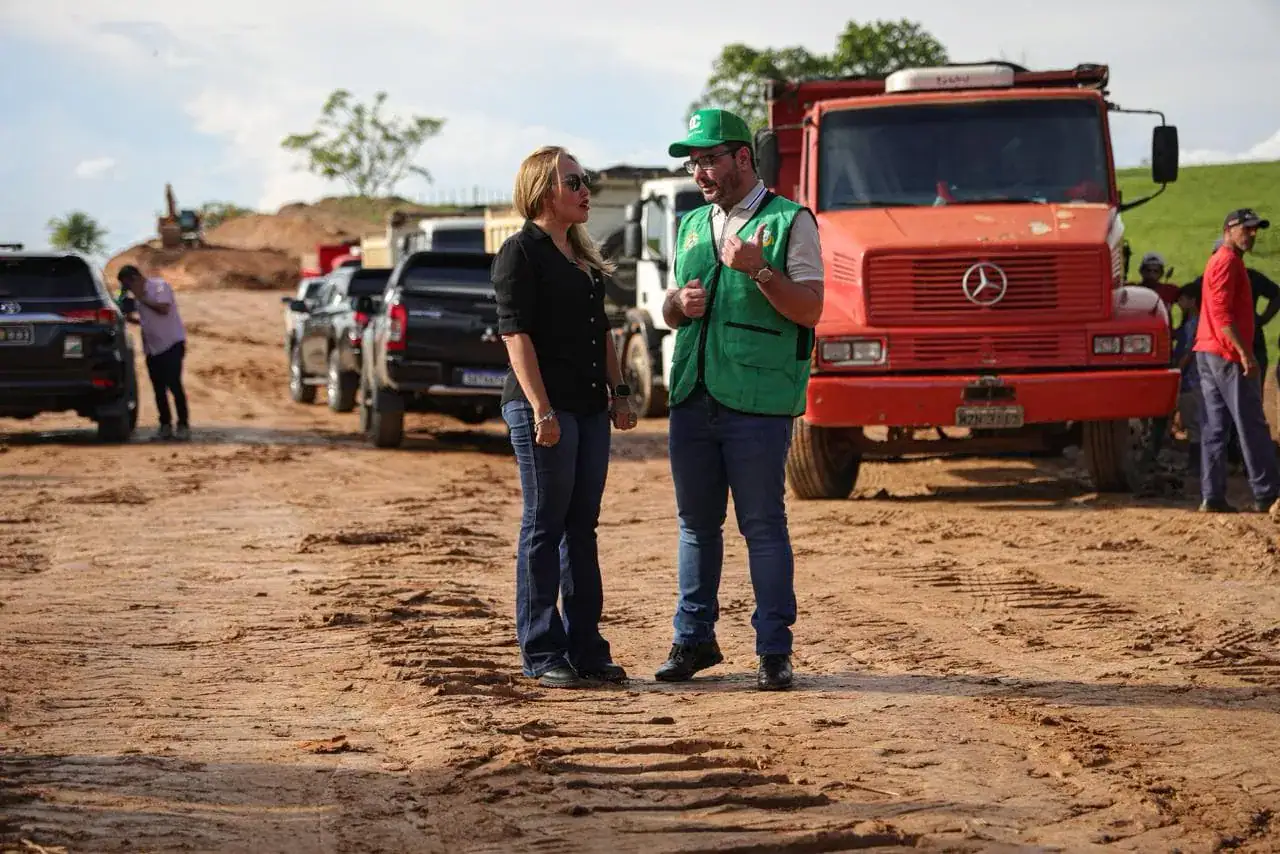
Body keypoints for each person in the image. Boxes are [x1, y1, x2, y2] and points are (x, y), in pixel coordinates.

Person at [655, 108, 825, 691]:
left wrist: (761, 272)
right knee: (696, 527)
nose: (700, 171)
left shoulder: (789, 221)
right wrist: (679, 304)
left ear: (743, 158)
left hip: (757, 399)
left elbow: (810, 309)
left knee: (762, 525)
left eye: (709, 159)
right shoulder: (691, 226)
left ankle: (774, 650)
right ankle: (692, 640)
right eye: (693, 162)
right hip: (692, 394)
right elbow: (668, 312)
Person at [491, 145, 638, 689]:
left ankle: (587, 649)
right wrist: (540, 408)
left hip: (588, 405)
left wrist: (619, 392)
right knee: (544, 525)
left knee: (582, 527)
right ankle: (541, 651)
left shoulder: (583, 257)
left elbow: (604, 333)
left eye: (585, 181)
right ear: (543, 191)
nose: (585, 190)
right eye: (574, 182)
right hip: (543, 407)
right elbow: (515, 335)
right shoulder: (520, 253)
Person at [1193, 208, 1280, 513]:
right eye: (1247, 229)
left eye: (1256, 230)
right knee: (1251, 424)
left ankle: (1213, 496)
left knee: (1215, 427)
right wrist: (1245, 353)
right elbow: (1221, 315)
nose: (1252, 235)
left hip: (1209, 351)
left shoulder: (1225, 261)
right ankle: (1268, 494)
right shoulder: (1226, 262)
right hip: (1226, 355)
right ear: (1228, 229)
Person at [117, 264, 189, 441]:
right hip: (153, 348)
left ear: (134, 278)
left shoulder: (158, 287)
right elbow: (147, 320)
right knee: (158, 389)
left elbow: (163, 309)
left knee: (174, 386)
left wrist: (141, 299)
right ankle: (165, 426)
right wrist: (127, 315)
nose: (128, 290)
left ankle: (183, 425)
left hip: (171, 344)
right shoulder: (139, 297)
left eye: (127, 285)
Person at [1173, 285, 1202, 474]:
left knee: (1194, 422)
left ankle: (1196, 465)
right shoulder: (1190, 322)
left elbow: (1190, 349)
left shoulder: (1194, 323)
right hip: (1191, 378)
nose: (1179, 303)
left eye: (1182, 299)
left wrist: (1179, 369)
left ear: (1192, 301)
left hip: (1192, 379)